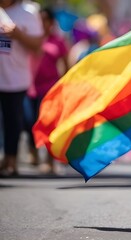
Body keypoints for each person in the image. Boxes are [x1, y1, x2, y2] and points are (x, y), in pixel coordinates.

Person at [0, 0, 43, 176]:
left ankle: (11, 159)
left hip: (15, 80)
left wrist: (19, 35)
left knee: (13, 121)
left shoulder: (28, 12)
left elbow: (38, 46)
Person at [24, 7, 69, 173]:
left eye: (45, 20)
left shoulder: (58, 41)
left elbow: (66, 64)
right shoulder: (30, 38)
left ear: (51, 23)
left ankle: (49, 161)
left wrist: (65, 85)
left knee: (49, 126)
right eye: (39, 20)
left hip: (50, 90)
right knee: (29, 122)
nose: (42, 23)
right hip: (28, 88)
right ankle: (33, 152)